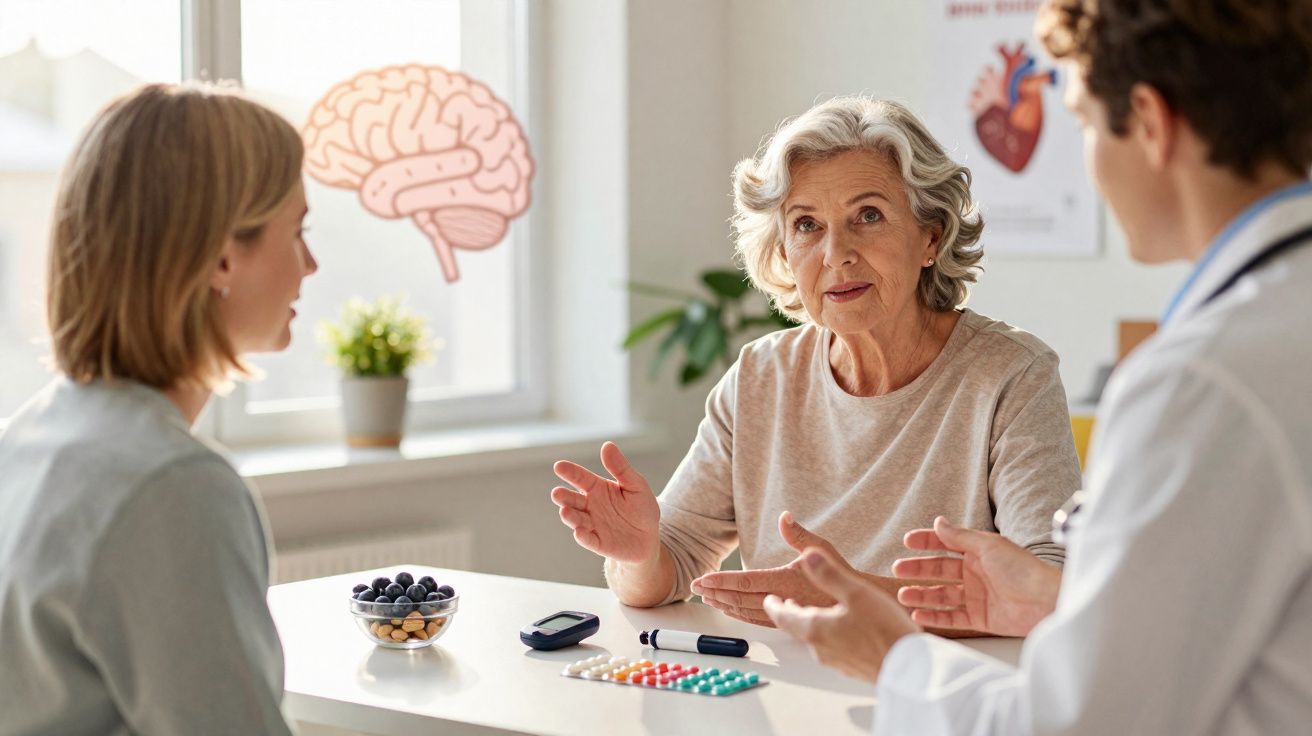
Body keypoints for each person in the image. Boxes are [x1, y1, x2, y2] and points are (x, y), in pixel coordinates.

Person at [764, 1, 1312, 733]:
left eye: (1084, 121)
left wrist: (897, 661)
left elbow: (1077, 724)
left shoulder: (1205, 382)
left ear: (1149, 121)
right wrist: (1058, 598)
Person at [549, 97, 1081, 627]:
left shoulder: (1013, 375)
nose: (836, 254)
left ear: (931, 236)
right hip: (788, 697)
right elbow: (671, 565)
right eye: (807, 225)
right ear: (783, 249)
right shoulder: (760, 376)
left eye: (867, 215)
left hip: (941, 693)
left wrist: (846, 596)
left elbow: (1048, 589)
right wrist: (639, 555)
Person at [0, 83, 317, 734]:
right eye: (298, 230)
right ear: (224, 257)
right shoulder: (171, 487)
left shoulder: (26, 439)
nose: (310, 265)